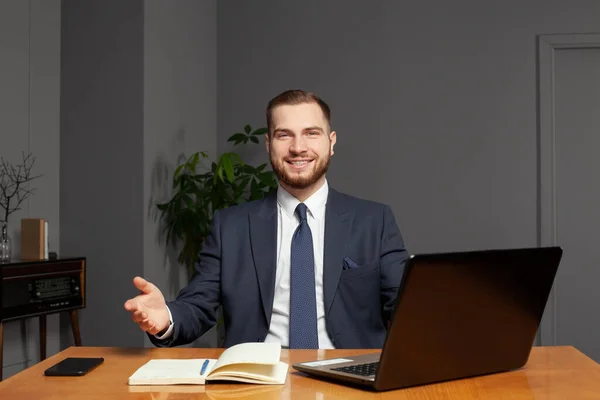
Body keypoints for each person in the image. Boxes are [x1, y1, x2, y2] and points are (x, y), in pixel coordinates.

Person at [124, 89, 409, 349]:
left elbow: (406, 308)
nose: (298, 147)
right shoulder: (230, 227)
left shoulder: (375, 221)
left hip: (349, 380)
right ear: (269, 144)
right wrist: (166, 317)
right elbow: (199, 305)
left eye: (311, 133)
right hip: (258, 380)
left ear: (331, 142)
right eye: (285, 135)